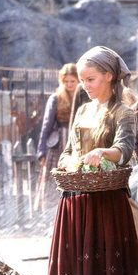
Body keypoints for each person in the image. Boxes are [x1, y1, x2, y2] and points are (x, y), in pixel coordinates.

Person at [17, 46, 138, 275]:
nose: (85, 85)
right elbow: (69, 151)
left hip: (106, 206)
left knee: (101, 272)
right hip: (75, 201)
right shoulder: (84, 110)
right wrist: (70, 161)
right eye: (83, 79)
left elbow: (125, 150)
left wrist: (104, 152)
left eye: (91, 79)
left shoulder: (123, 112)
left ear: (109, 76)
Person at [35, 63, 78, 212]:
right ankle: (53, 214)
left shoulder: (84, 97)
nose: (69, 84)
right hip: (59, 145)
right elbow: (46, 125)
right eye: (66, 81)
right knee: (55, 181)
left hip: (78, 143)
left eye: (72, 81)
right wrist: (42, 151)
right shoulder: (56, 98)